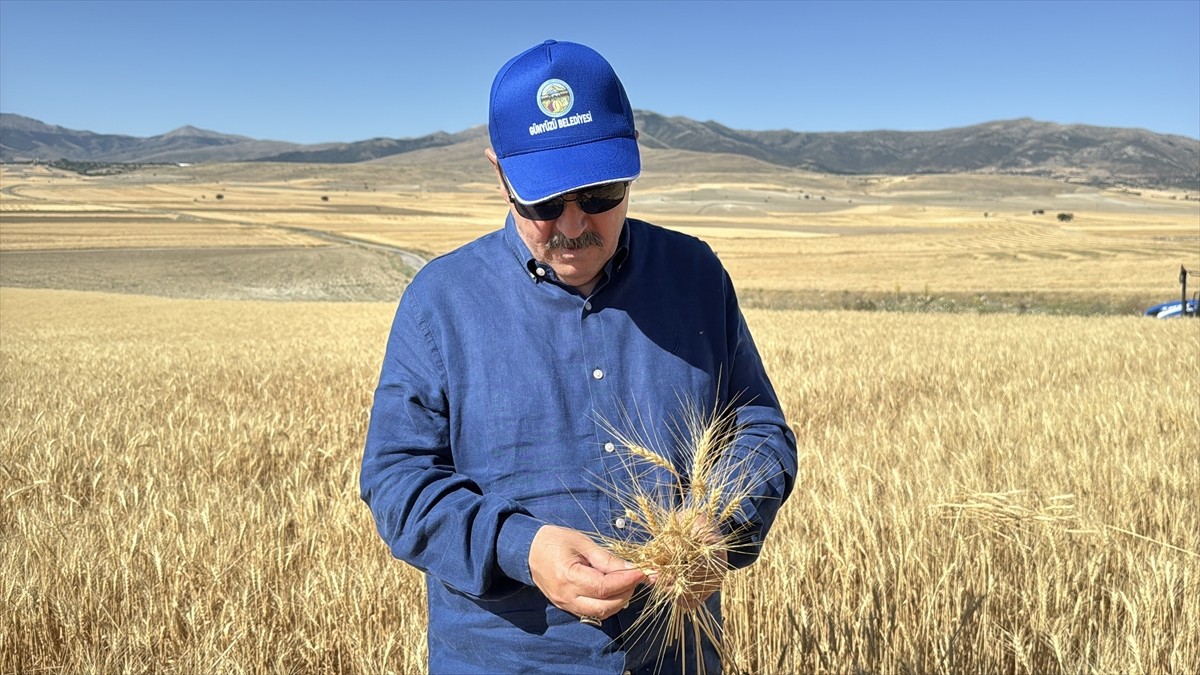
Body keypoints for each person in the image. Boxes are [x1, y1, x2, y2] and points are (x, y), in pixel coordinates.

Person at [361, 39, 797, 674]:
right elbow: (396, 480)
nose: (572, 225)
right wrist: (523, 547)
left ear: (633, 161)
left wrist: (721, 520)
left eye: (599, 193)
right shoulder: (440, 302)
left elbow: (760, 430)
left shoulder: (695, 276)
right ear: (498, 173)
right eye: (542, 202)